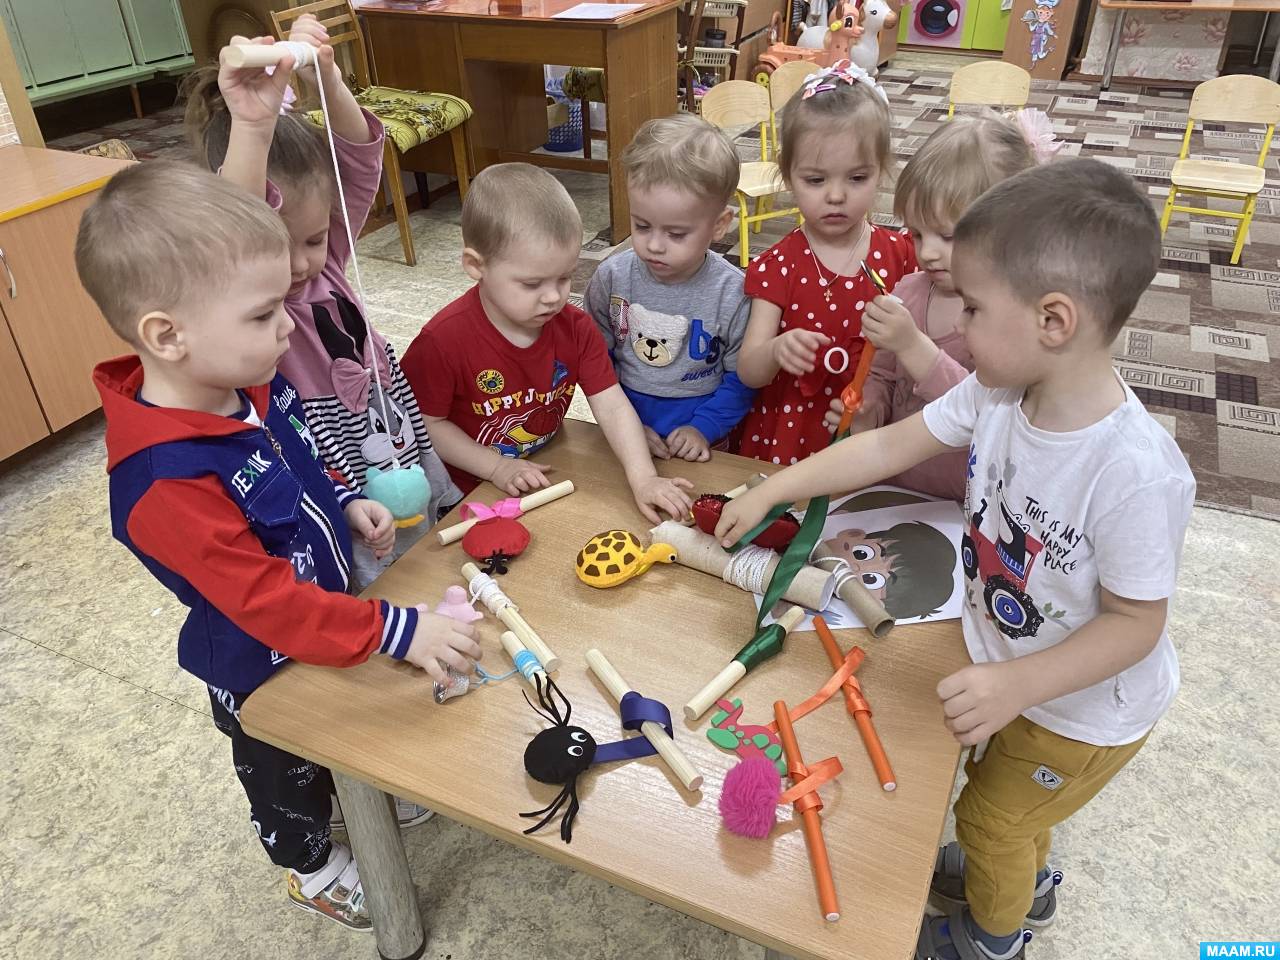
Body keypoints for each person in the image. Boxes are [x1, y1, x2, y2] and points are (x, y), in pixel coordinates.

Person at [716, 158, 1195, 960]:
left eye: (972, 308)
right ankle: (1021, 875)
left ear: (1053, 320)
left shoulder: (1136, 473)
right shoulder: (1000, 393)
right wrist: (778, 488)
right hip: (1018, 671)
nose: (956, 326)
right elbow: (889, 446)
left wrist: (1019, 684)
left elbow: (1136, 625)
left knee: (988, 817)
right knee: (1005, 805)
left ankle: (991, 937)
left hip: (1083, 713)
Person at [79, 162, 481, 932]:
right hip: (258, 663)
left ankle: (361, 791)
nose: (289, 326)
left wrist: (346, 501)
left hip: (325, 613)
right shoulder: (164, 483)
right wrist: (399, 629)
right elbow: (265, 604)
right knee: (286, 776)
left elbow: (301, 461)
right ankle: (312, 866)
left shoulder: (246, 382)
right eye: (264, 314)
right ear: (166, 335)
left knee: (348, 718)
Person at [186, 17, 460, 588]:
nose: (300, 264)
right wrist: (251, 126)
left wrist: (329, 78)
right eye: (278, 245)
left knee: (424, 527)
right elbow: (237, 227)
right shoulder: (250, 297)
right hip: (324, 440)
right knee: (373, 557)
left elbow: (359, 157)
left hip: (385, 414)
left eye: (311, 240)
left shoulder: (329, 254)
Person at [401, 162, 694, 524]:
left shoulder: (576, 328)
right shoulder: (442, 342)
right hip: (459, 490)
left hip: (541, 467)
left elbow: (612, 406)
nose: (554, 297)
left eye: (565, 278)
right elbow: (426, 425)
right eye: (532, 284)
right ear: (476, 266)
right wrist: (496, 467)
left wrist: (644, 477)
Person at [824, 112, 1036, 500]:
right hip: (890, 486)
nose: (928, 252)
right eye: (917, 234)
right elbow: (882, 375)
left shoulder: (1013, 318)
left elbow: (986, 412)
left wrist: (912, 345)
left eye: (948, 236)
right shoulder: (908, 291)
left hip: (965, 501)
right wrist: (869, 410)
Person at [734, 60, 918, 466]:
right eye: (816, 180)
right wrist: (776, 350)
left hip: (869, 432)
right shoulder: (778, 266)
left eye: (857, 178)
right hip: (788, 437)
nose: (836, 196)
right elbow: (748, 369)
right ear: (787, 175)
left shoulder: (902, 255)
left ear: (881, 171)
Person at [584, 114, 753, 462]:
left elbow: (743, 377)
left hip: (706, 434)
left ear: (719, 224)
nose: (654, 245)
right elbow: (593, 361)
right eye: (642, 225)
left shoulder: (733, 293)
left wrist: (704, 427)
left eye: (676, 234)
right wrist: (625, 426)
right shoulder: (611, 277)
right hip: (624, 427)